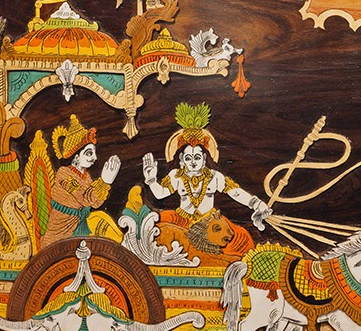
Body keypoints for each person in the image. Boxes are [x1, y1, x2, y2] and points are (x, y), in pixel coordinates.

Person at [141, 102, 270, 254]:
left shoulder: (214, 177)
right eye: (188, 158)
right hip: (181, 219)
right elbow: (160, 194)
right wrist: (151, 180)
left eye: (197, 157)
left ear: (204, 158)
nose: (193, 162)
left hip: (210, 221)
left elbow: (235, 193)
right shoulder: (176, 176)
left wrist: (256, 204)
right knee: (155, 226)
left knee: (241, 238)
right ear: (182, 160)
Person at [43, 113, 124, 242]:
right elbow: (86, 198)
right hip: (62, 231)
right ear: (76, 157)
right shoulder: (64, 174)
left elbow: (95, 203)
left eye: (94, 153)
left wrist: (105, 183)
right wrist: (104, 181)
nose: (95, 158)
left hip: (80, 223)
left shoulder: (86, 176)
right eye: (89, 153)